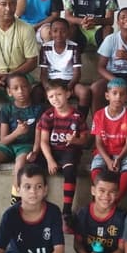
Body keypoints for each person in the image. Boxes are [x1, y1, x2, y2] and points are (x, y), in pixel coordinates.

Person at [0, 73, 43, 217]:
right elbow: (4, 139)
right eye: (15, 88)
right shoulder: (7, 109)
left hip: (26, 146)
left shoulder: (38, 109)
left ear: (30, 88)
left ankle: (15, 201)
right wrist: (17, 132)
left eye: (24, 87)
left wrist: (35, 151)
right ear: (9, 92)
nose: (20, 91)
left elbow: (39, 136)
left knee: (20, 164)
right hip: (9, 145)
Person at [39, 78, 89, 232]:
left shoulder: (77, 116)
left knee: (70, 170)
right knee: (32, 169)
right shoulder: (48, 115)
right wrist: (50, 160)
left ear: (68, 94)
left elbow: (85, 140)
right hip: (51, 151)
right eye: (51, 96)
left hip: (69, 150)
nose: (56, 99)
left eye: (59, 94)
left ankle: (66, 212)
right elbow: (43, 142)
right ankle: (34, 207)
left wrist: (76, 140)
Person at [90, 77, 127, 202]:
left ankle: (114, 201)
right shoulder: (99, 115)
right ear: (107, 96)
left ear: (126, 98)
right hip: (103, 152)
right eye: (114, 93)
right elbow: (98, 143)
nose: (118, 97)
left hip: (123, 152)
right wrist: (107, 160)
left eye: (122, 94)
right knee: (96, 168)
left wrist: (118, 158)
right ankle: (99, 200)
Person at [39, 17, 92, 117]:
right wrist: (47, 88)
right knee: (36, 93)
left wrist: (68, 87)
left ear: (68, 33)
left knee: (85, 92)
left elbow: (77, 73)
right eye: (55, 31)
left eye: (63, 31)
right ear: (50, 33)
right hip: (51, 81)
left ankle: (79, 122)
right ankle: (41, 123)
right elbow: (43, 73)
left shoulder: (74, 47)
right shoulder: (45, 47)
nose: (59, 34)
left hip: (69, 81)